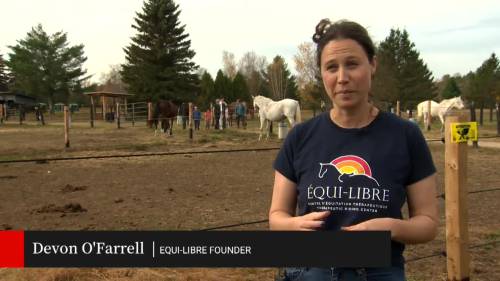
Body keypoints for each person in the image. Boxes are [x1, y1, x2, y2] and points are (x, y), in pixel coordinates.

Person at [269, 19, 438, 281]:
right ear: (322, 74)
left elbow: (427, 224)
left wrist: (390, 228)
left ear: (372, 64)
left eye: (352, 64)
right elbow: (276, 217)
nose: (342, 78)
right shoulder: (300, 137)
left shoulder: (406, 136)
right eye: (331, 67)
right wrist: (293, 225)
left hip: (378, 272)